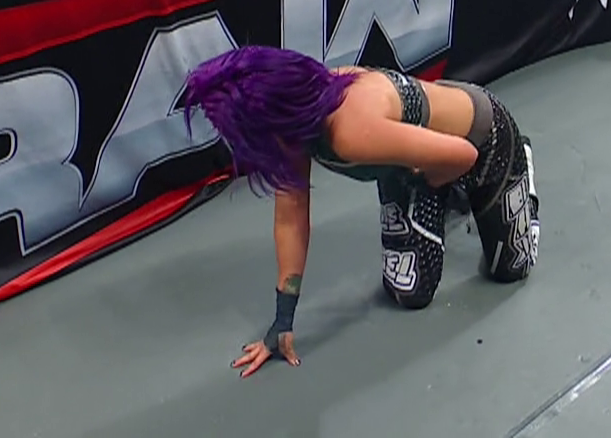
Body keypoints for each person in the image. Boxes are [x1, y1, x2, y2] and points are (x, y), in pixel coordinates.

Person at [181, 46, 540, 378]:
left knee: (511, 268)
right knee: (410, 291)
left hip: (482, 139)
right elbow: (291, 217)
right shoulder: (298, 119)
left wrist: (433, 183)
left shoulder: (348, 130)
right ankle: (439, 184)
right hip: (410, 162)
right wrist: (283, 321)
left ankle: (514, 164)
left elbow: (464, 155)